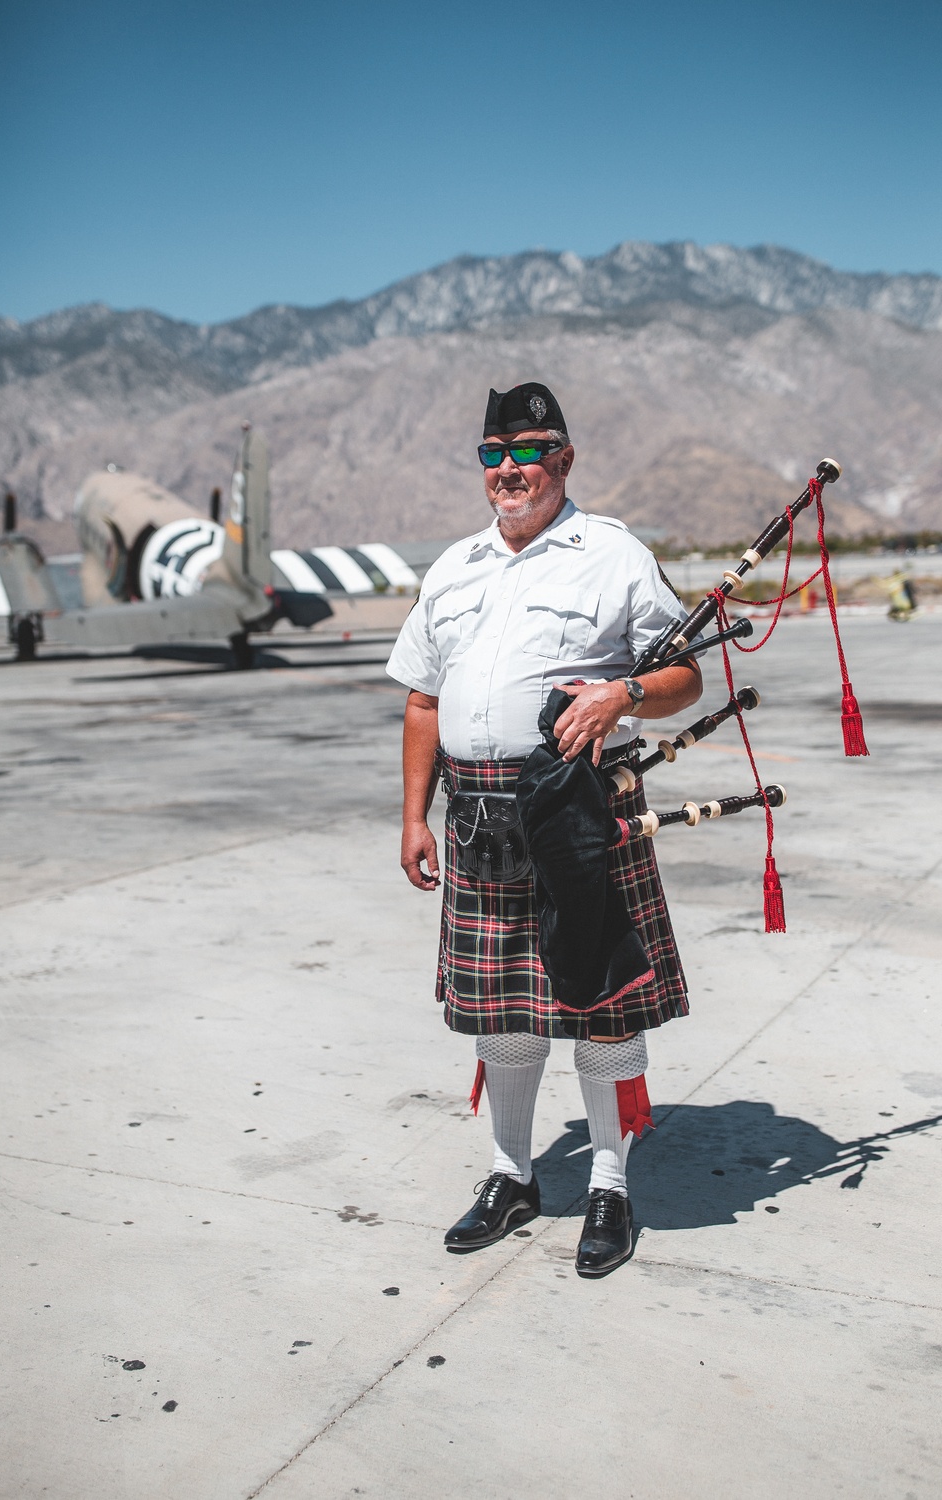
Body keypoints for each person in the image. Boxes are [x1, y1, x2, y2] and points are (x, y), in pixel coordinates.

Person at [386, 382, 702, 1277]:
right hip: (477, 815)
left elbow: (685, 676)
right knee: (502, 1012)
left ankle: (609, 1184)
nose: (511, 469)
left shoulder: (613, 555)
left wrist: (624, 694)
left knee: (600, 1002)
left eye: (529, 450)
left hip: (579, 805)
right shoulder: (453, 567)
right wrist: (414, 815)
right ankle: (511, 1175)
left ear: (563, 458)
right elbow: (422, 698)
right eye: (495, 453)